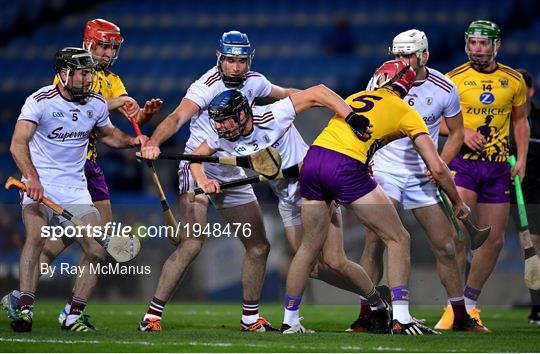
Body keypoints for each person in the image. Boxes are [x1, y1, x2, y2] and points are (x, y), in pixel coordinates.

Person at [281, 59, 470, 335]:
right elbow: (438, 167)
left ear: (381, 79)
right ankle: (402, 317)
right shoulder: (406, 111)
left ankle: (290, 321)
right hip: (344, 167)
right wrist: (457, 201)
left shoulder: (357, 96)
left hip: (314, 159)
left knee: (309, 248)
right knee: (399, 238)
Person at [2, 18, 162, 330]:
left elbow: (109, 135)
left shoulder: (97, 103)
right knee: (36, 237)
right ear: (66, 73)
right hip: (41, 182)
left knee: (97, 248)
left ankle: (72, 314)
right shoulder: (40, 101)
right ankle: (24, 308)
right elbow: (17, 143)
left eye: (91, 72)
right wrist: (31, 179)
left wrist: (133, 141)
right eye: (84, 72)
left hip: (76, 187)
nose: (89, 77)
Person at [191, 87, 390, 333]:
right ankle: (375, 296)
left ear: (242, 115)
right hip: (287, 200)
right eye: (217, 123)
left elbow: (320, 92)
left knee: (334, 260)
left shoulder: (273, 114)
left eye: (224, 122)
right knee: (313, 268)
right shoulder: (222, 137)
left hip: (315, 191)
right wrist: (202, 181)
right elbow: (196, 157)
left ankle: (373, 302)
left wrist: (351, 117)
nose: (219, 128)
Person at [138, 30, 299, 332]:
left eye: (241, 61)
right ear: (219, 58)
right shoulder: (205, 85)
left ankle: (250, 320)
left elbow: (288, 92)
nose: (236, 67)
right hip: (198, 165)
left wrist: (329, 105)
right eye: (230, 60)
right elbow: (175, 118)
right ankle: (151, 318)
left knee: (259, 246)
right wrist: (153, 142)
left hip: (231, 167)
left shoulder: (255, 80)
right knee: (192, 243)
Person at [348, 29, 488, 332]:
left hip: (422, 176)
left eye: (408, 55)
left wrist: (440, 165)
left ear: (423, 55)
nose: (401, 60)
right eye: (397, 54)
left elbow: (458, 134)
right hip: (385, 171)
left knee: (448, 245)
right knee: (375, 241)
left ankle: (460, 315)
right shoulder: (381, 80)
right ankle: (367, 313)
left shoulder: (443, 87)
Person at [434, 20, 529, 329]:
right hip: (463, 165)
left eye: (483, 43)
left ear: (496, 45)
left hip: (498, 167)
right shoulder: (453, 80)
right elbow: (438, 123)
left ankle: (470, 306)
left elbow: (520, 122)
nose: (477, 49)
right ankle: (454, 307)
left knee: (494, 241)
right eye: (473, 43)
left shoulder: (513, 80)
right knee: (459, 235)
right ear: (466, 44)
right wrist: (463, 132)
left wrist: (522, 158)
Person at [512, 69, 540, 324]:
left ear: (529, 91)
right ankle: (461, 306)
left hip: (533, 190)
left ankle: (537, 305)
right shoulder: (500, 119)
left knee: (531, 244)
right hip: (503, 187)